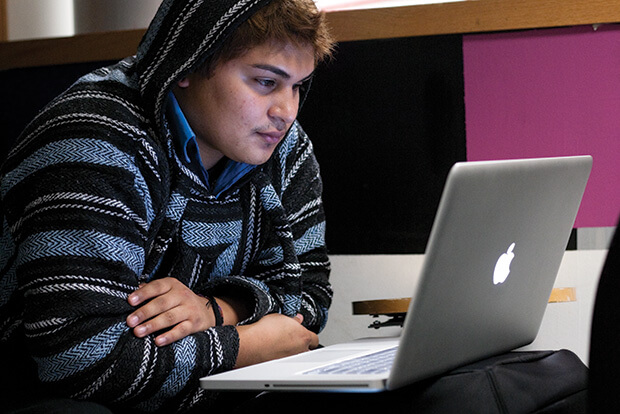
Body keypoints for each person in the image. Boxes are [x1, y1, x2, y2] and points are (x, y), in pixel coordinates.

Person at [0, 0, 335, 412]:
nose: (286, 112)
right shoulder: (97, 139)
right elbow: (81, 359)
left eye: (298, 86)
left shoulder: (283, 146)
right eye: (266, 82)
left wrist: (218, 310)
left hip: (187, 384)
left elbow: (310, 300)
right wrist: (245, 346)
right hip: (44, 393)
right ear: (188, 66)